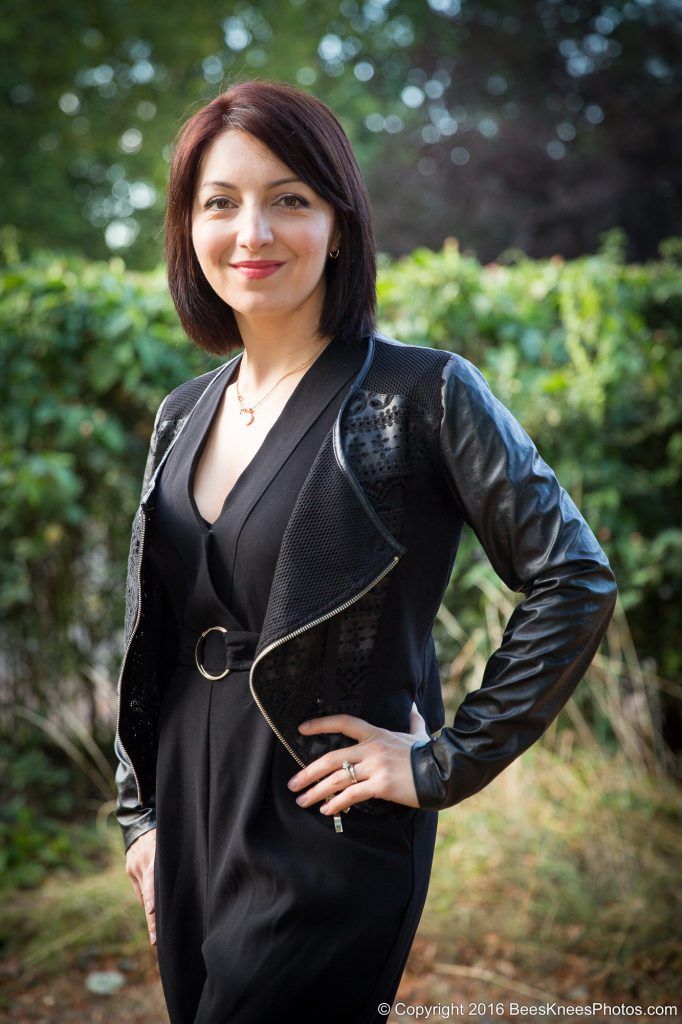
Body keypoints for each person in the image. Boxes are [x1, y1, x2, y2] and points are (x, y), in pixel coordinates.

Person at [114, 79, 618, 1024]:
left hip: (330, 819)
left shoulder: (424, 393)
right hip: (188, 810)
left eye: (289, 199)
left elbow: (573, 576)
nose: (252, 230)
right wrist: (143, 818)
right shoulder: (181, 413)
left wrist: (443, 763)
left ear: (340, 225)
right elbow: (149, 631)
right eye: (220, 203)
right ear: (189, 229)